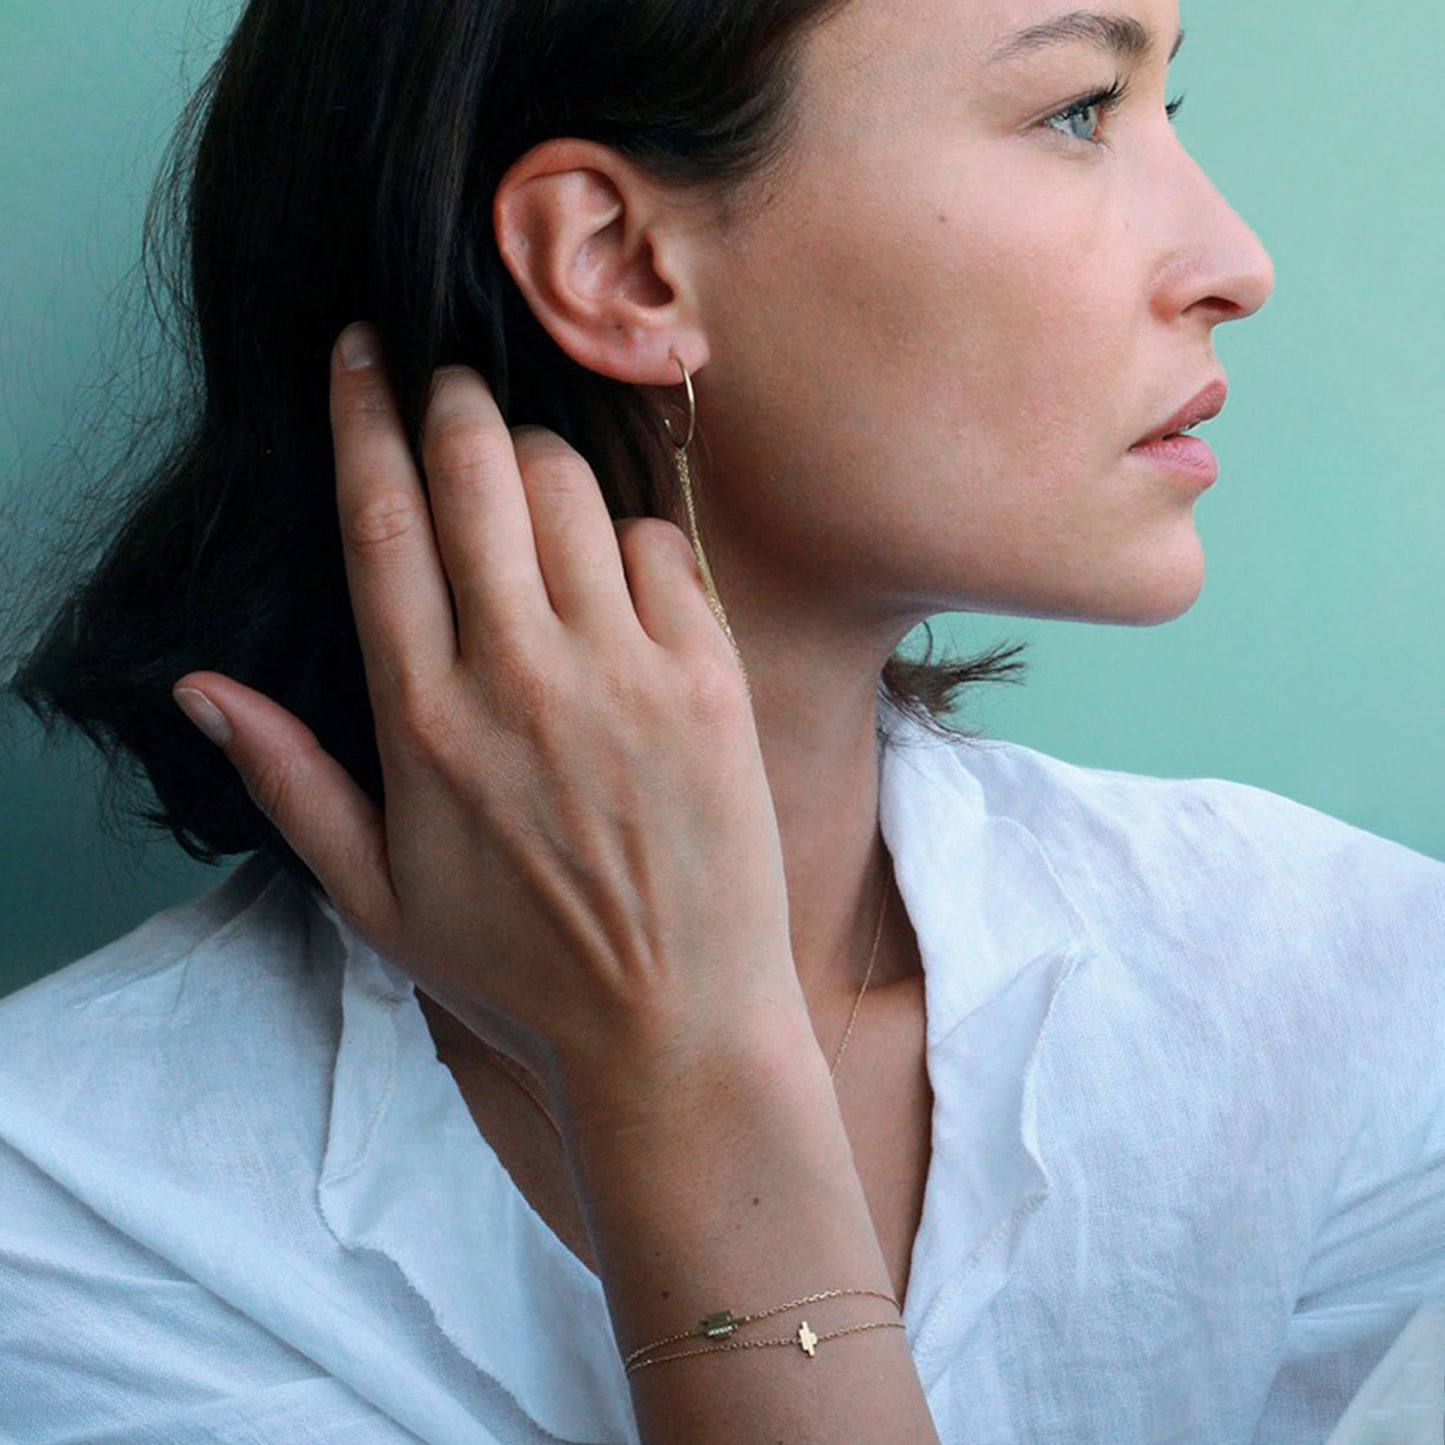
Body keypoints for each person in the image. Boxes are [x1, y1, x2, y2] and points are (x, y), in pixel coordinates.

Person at [1, 0, 1442, 1439]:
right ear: (618, 264)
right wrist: (680, 1077)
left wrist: (682, 1072)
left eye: (1159, 110)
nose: (1233, 264)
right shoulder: (71, 1207)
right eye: (1075, 111)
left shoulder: (1358, 1004)